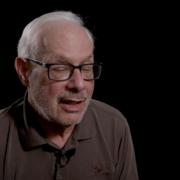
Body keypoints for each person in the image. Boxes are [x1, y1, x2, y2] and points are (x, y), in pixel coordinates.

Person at [0, 11, 138, 180]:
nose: (79, 84)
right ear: (24, 71)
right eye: (60, 68)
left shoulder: (115, 127)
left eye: (87, 67)